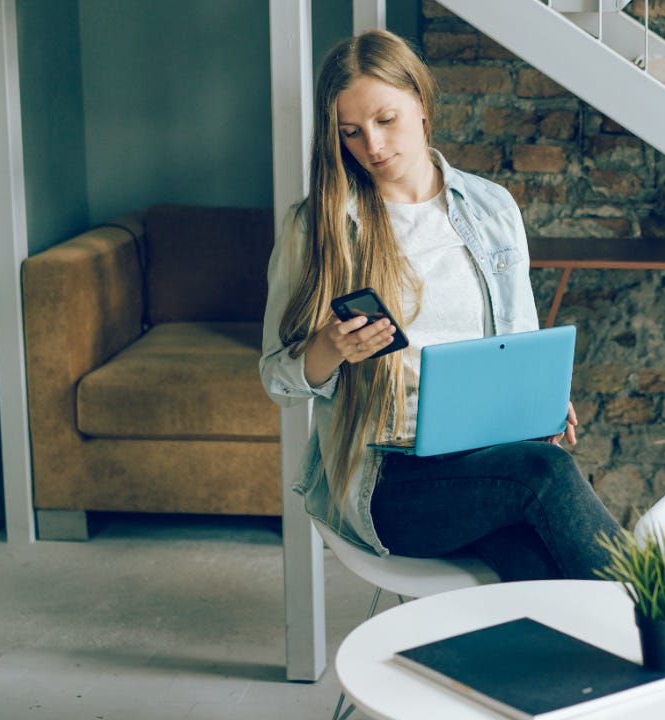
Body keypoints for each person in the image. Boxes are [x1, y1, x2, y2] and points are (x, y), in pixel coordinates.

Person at [259, 30, 621, 582]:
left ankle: (620, 663)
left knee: (537, 573)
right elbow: (276, 379)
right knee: (544, 475)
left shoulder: (491, 208)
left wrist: (539, 401)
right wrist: (329, 348)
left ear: (423, 107)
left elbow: (517, 342)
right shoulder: (317, 226)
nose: (373, 148)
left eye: (386, 121)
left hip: (485, 460)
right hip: (388, 479)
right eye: (351, 133)